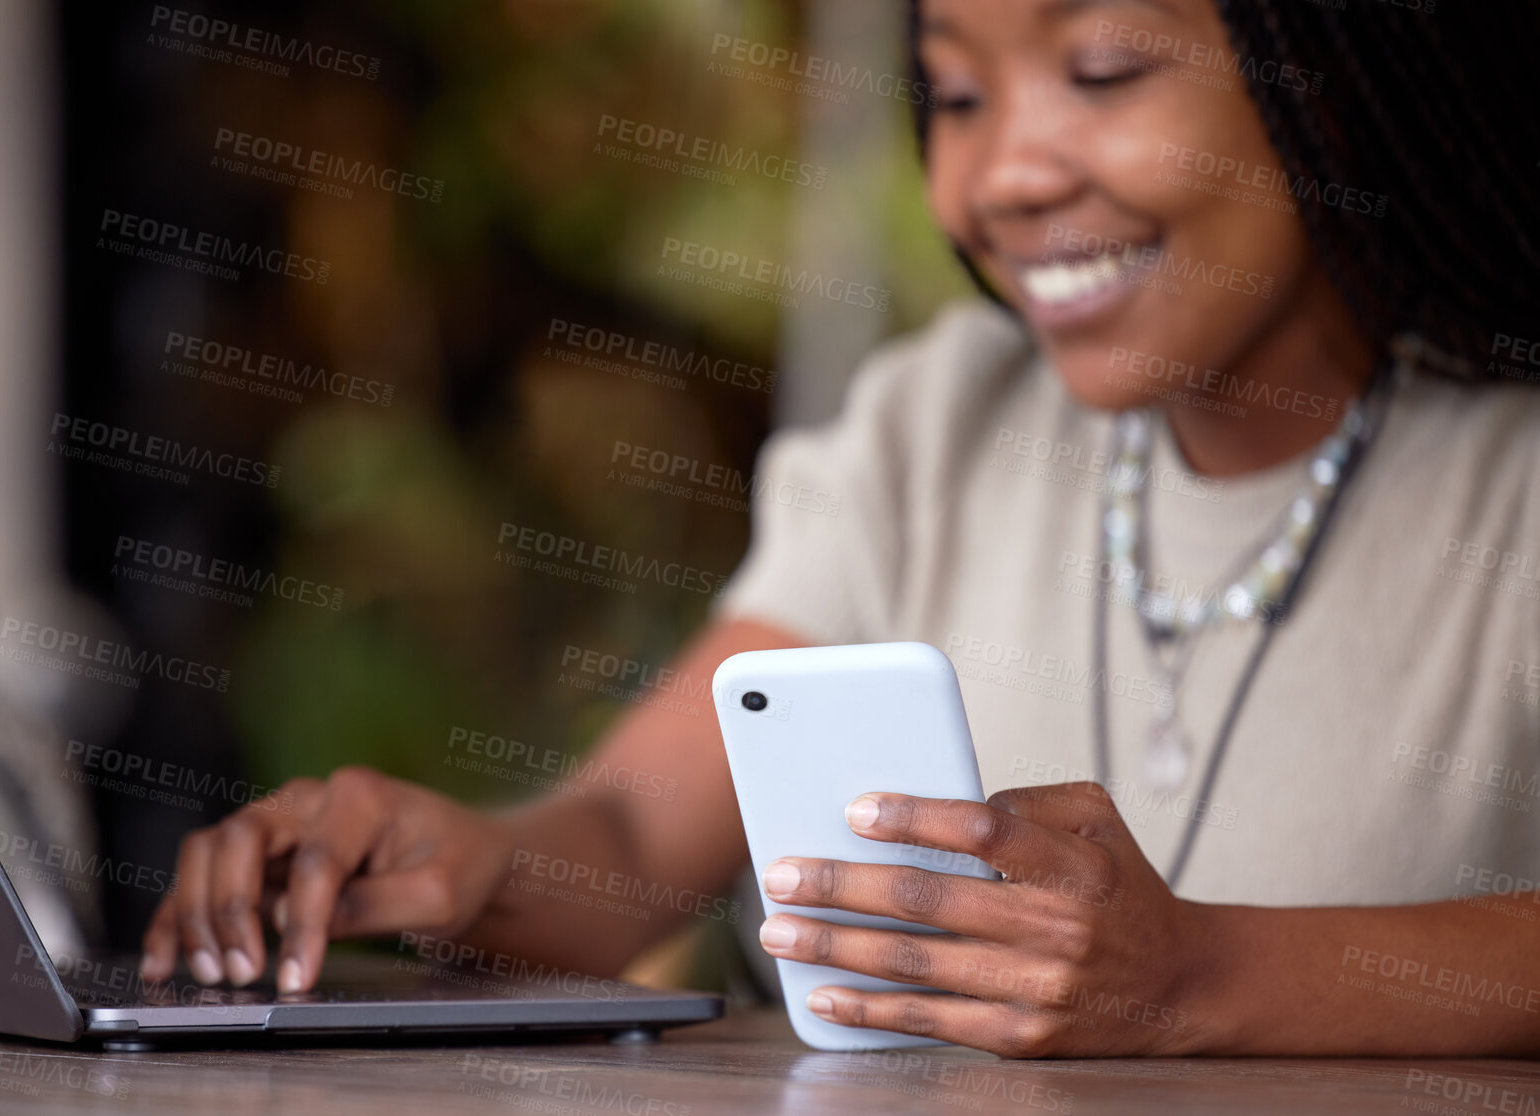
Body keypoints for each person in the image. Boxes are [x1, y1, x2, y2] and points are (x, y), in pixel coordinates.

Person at [141, 0, 1540, 1056]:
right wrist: (460, 864)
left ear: (1341, 82)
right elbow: (630, 833)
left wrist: (1198, 977)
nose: (1001, 180)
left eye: (1101, 70)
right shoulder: (932, 426)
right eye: (952, 97)